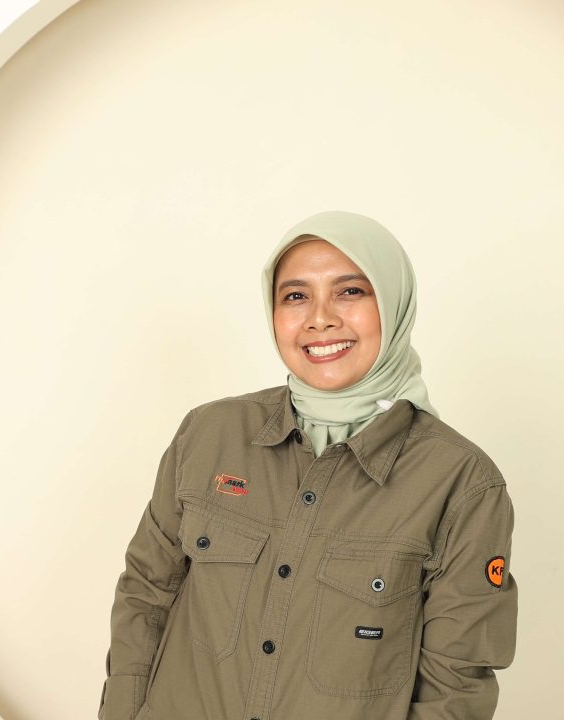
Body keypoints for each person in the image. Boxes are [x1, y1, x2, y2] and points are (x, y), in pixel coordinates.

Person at [98, 210, 517, 720]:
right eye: (295, 296)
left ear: (394, 305)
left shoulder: (461, 484)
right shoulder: (208, 435)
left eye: (350, 291)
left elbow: (455, 689)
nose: (320, 318)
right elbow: (145, 595)